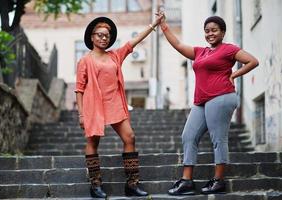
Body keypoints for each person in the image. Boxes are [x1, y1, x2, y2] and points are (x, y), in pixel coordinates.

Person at [157, 13, 259, 195]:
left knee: (218, 139)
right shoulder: (200, 52)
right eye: (207, 31)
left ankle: (218, 180)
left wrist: (233, 75)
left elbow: (253, 61)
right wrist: (164, 25)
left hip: (221, 97)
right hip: (201, 101)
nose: (210, 33)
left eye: (214, 30)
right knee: (188, 136)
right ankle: (187, 181)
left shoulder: (229, 49)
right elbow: (179, 46)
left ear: (222, 32)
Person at [75, 16, 163, 198]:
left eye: (107, 36)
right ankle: (95, 185)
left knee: (129, 137)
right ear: (92, 37)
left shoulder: (115, 55)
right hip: (94, 106)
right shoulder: (85, 61)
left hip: (114, 104)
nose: (103, 38)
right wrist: (81, 114)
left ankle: (132, 184)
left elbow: (134, 41)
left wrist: (153, 25)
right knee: (93, 142)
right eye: (99, 35)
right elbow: (79, 89)